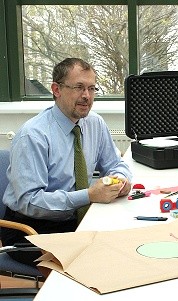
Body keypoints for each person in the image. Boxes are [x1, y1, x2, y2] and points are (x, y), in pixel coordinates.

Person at [1, 58, 133, 268]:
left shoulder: (94, 123)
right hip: (31, 230)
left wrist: (122, 180)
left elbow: (116, 163)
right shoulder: (33, 136)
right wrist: (88, 195)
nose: (86, 96)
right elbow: (29, 201)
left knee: (129, 243)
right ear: (56, 90)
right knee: (98, 262)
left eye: (91, 88)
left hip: (76, 220)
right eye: (79, 87)